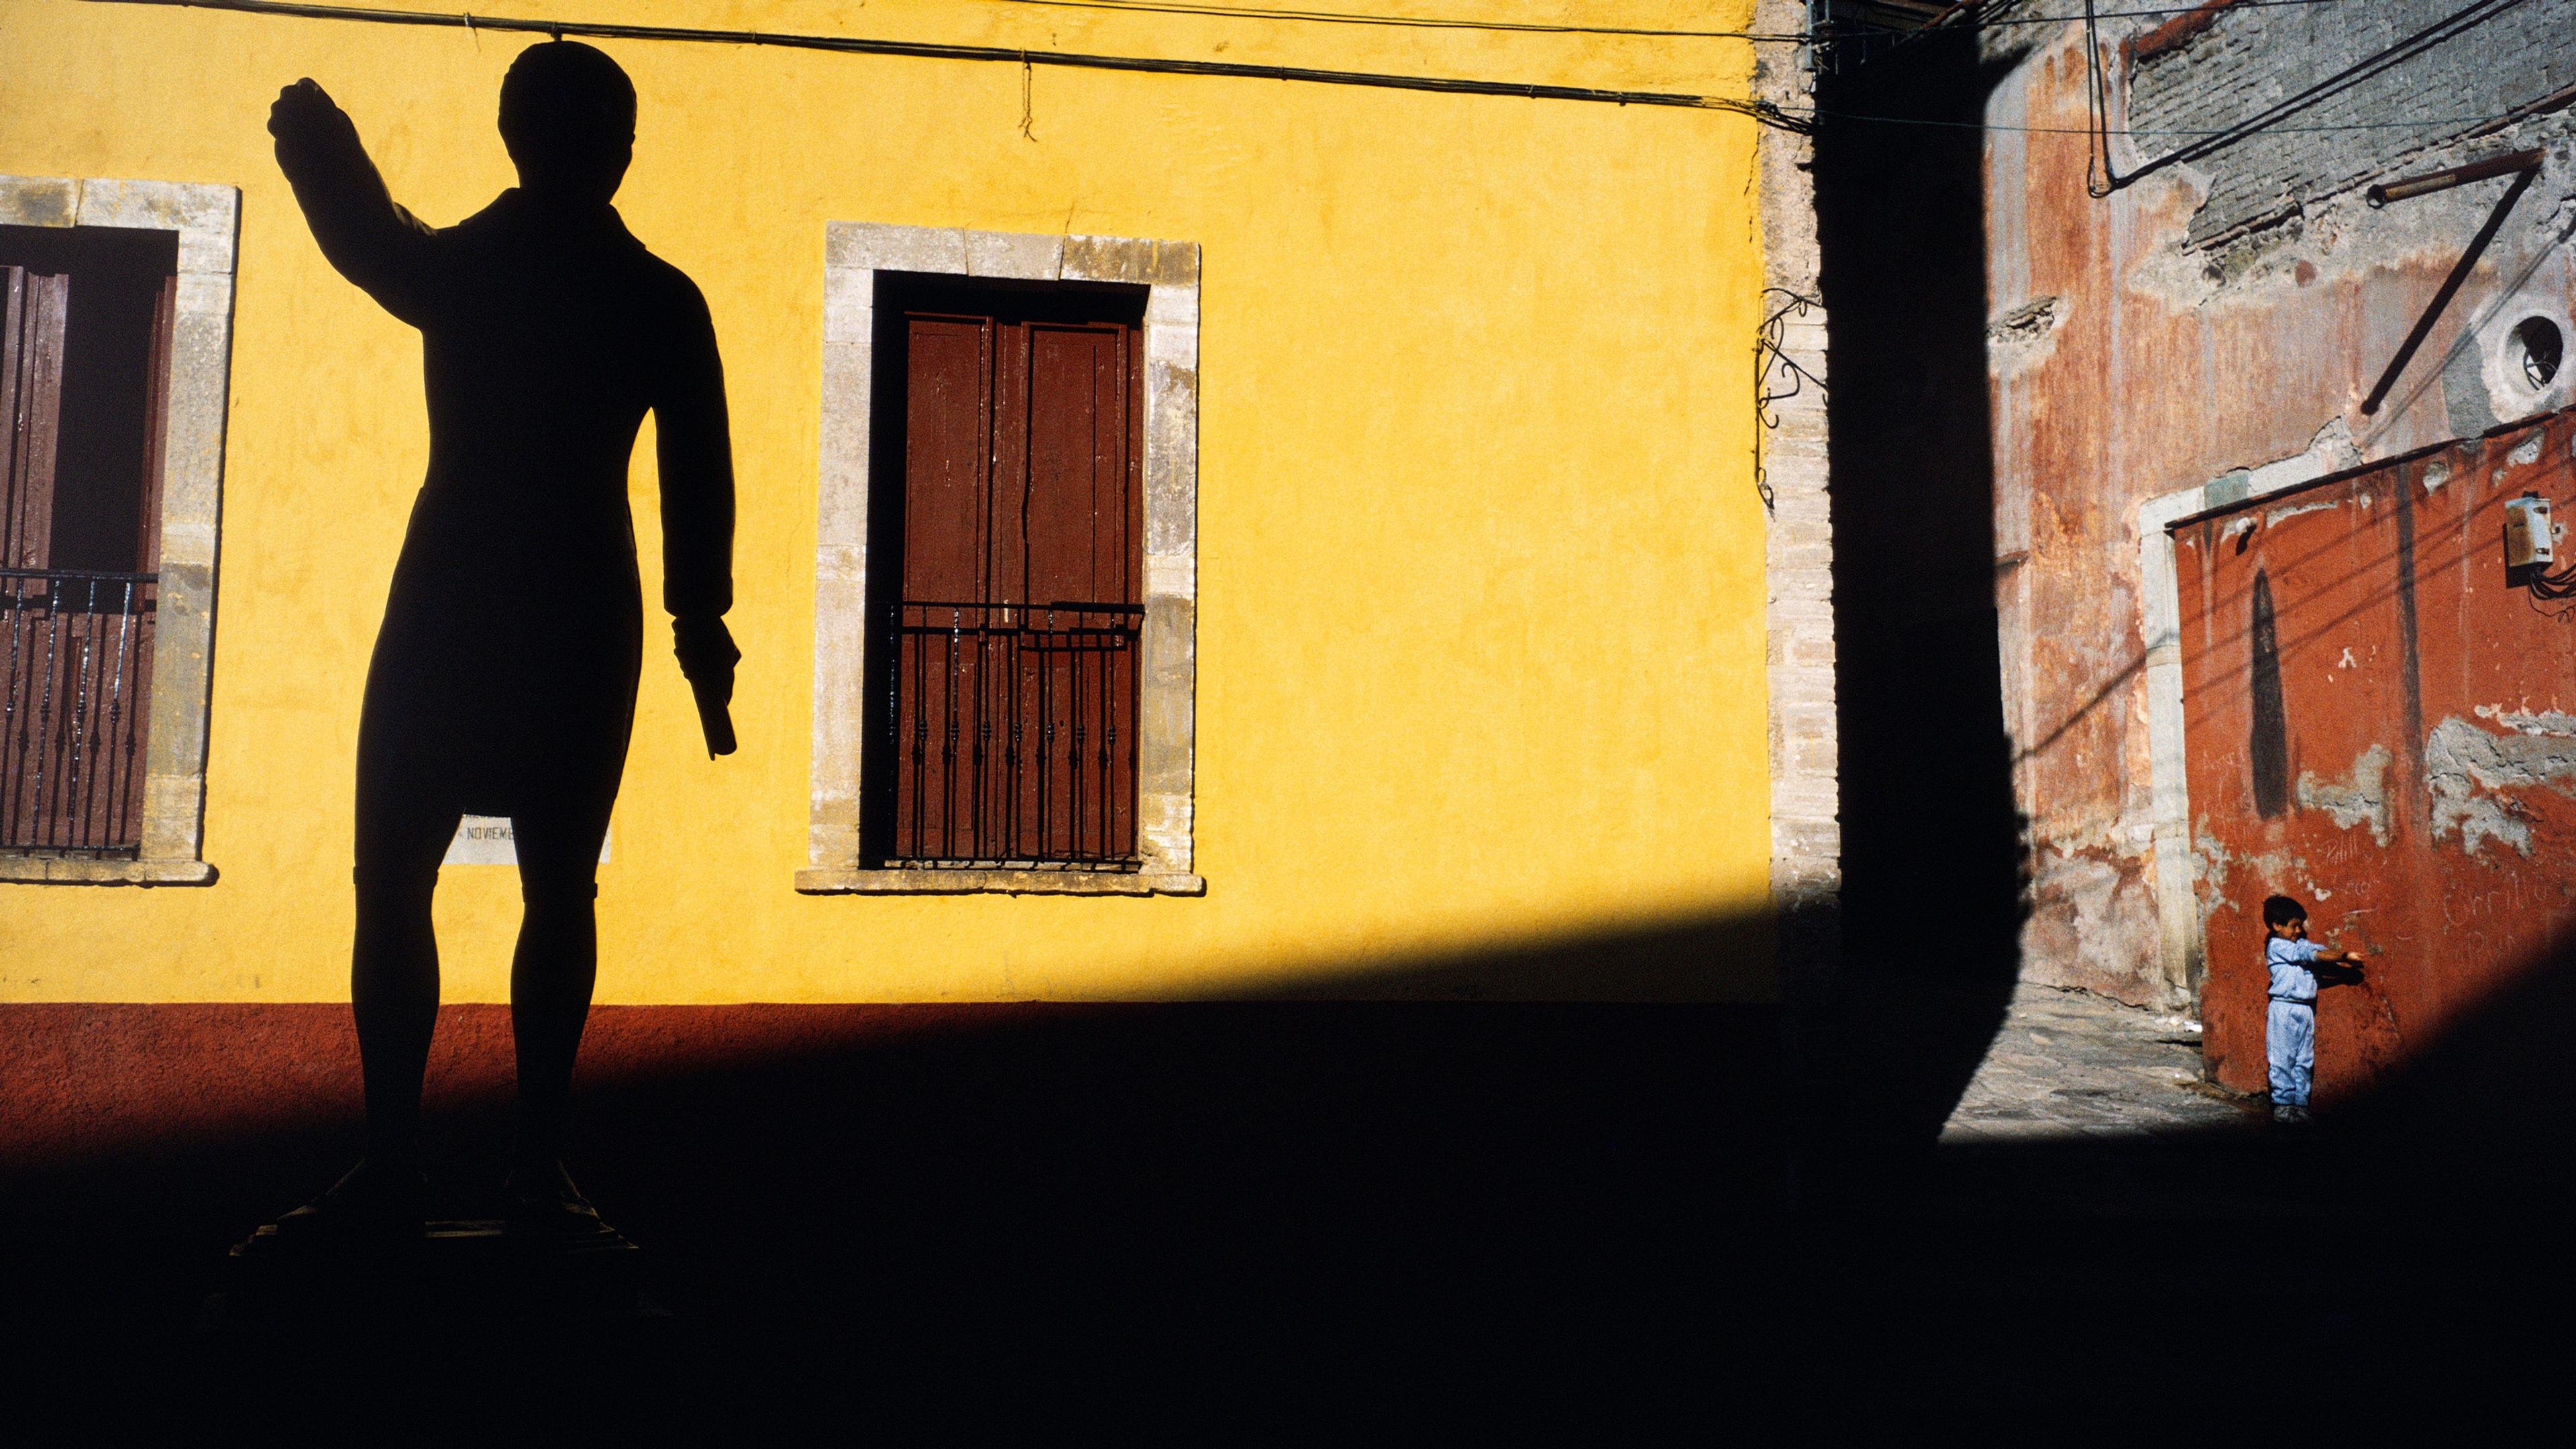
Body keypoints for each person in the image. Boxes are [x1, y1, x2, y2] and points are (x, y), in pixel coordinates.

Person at [264, 41, 737, 1238]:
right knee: (553, 893)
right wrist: (699, 618)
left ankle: (399, 1160)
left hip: (457, 591)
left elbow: (377, 246)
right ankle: (528, 1166)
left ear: (512, 137)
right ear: (618, 150)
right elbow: (700, 485)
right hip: (581, 601)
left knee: (399, 882)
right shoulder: (658, 300)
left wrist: (321, 153)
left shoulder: (474, 271)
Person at [2261, 894, 2365, 1126]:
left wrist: (2342, 965)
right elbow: (2310, 955)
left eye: (2301, 925)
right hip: (2284, 1008)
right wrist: (2344, 955)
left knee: (2304, 1060)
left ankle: (2300, 1106)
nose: (2299, 930)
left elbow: (2317, 951)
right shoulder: (2277, 946)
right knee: (2282, 1059)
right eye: (2294, 926)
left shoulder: (2301, 944)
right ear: (2277, 926)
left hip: (2305, 1009)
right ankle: (2283, 1106)